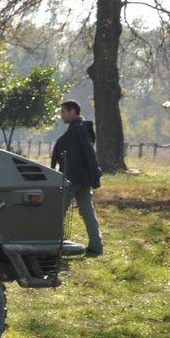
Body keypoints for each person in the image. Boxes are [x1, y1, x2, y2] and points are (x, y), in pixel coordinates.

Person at [51, 98, 104, 257]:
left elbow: (89, 153)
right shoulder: (76, 130)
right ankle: (96, 246)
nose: (61, 115)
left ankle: (53, 244)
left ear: (72, 111)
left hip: (73, 178)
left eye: (63, 112)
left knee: (56, 210)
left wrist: (95, 175)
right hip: (81, 178)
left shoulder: (79, 130)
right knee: (87, 211)